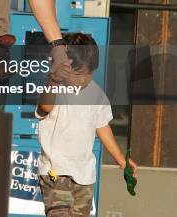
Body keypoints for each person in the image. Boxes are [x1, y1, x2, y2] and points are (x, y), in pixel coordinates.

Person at [36, 33, 137, 217]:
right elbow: (45, 106)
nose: (83, 80)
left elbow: (103, 127)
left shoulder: (97, 95)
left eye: (88, 74)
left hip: (84, 174)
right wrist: (54, 80)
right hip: (55, 171)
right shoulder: (54, 88)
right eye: (78, 74)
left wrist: (120, 158)